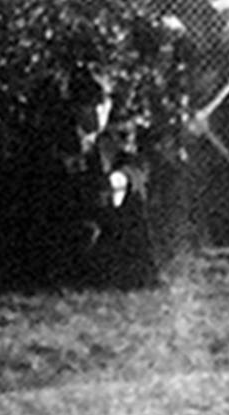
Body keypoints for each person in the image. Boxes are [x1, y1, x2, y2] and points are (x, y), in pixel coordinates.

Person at [9, 71, 158, 289]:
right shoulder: (52, 144)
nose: (98, 112)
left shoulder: (112, 141)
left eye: (103, 104)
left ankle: (140, 278)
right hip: (64, 243)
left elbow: (139, 167)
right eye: (90, 105)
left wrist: (122, 179)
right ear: (76, 108)